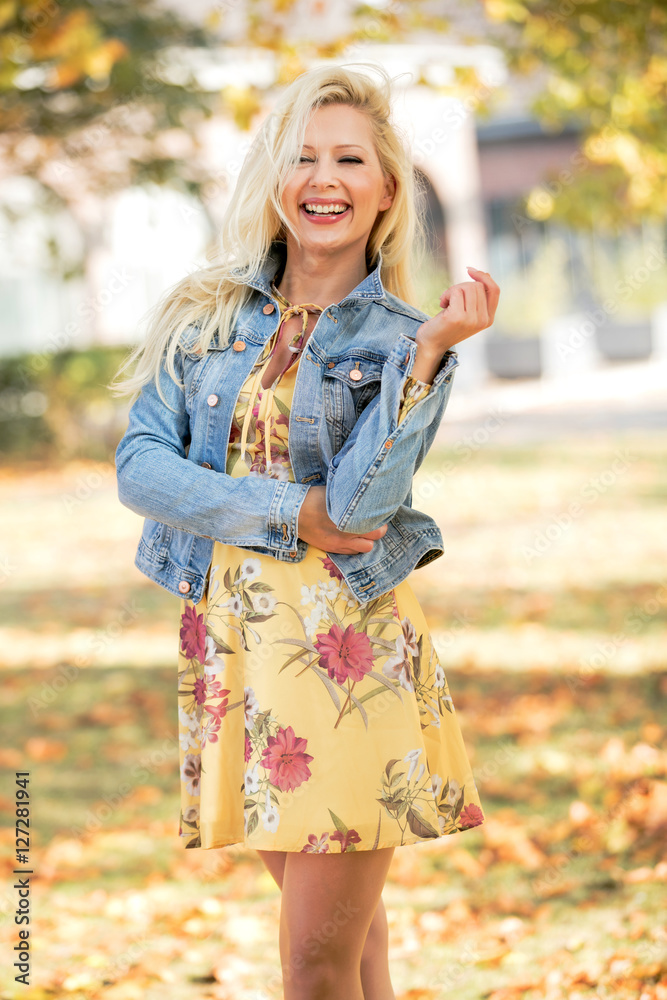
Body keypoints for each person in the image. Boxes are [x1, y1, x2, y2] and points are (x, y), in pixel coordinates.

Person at [111, 62, 499, 1000]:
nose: (324, 178)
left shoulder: (402, 339)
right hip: (232, 646)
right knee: (348, 947)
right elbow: (141, 468)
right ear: (275, 178)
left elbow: (360, 510)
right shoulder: (204, 314)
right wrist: (293, 512)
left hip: (346, 650)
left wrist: (429, 359)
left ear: (384, 191)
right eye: (304, 157)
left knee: (316, 959)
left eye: (350, 160)